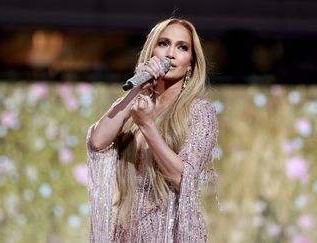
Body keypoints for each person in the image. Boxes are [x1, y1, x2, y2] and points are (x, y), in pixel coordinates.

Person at [86, 18, 219, 242]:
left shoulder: (199, 112)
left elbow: (182, 178)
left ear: (191, 64)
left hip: (171, 233)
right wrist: (136, 89)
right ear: (152, 51)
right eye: (164, 43)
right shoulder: (135, 105)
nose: (171, 54)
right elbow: (97, 142)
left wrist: (147, 125)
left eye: (182, 47)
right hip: (128, 232)